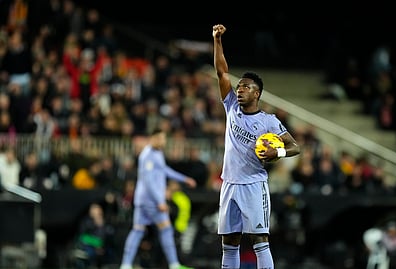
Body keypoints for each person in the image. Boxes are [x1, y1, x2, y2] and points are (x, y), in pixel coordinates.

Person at [212, 24, 301, 269]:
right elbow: (221, 72)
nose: (239, 89)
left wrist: (277, 152)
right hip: (229, 182)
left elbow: (295, 147)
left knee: (260, 241)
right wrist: (217, 40)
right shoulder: (230, 105)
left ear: (257, 93)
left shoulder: (269, 122)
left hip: (253, 184)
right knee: (229, 242)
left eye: (246, 87)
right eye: (239, 86)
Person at [119, 127, 197, 269]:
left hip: (142, 200)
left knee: (138, 230)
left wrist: (184, 179)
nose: (163, 141)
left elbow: (164, 169)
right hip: (150, 201)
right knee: (166, 230)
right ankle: (174, 264)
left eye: (164, 138)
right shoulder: (147, 155)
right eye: (160, 138)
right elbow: (148, 181)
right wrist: (160, 201)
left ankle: (125, 265)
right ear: (152, 138)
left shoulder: (157, 153)